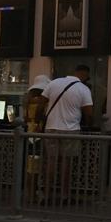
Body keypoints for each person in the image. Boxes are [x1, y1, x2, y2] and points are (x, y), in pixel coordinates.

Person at [41, 65, 93, 204]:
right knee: (66, 163)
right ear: (85, 74)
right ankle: (64, 195)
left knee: (51, 161)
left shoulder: (54, 83)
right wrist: (89, 124)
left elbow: (42, 102)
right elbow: (88, 112)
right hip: (71, 130)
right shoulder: (83, 89)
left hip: (51, 128)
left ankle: (46, 194)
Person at [23, 75, 50, 203]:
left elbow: (25, 119)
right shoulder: (44, 103)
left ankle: (31, 194)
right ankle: (39, 194)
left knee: (31, 168)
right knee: (41, 167)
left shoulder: (28, 102)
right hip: (40, 136)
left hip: (29, 135)